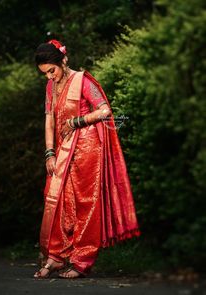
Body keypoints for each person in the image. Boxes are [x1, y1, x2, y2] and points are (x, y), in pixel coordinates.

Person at [33, 39, 140, 279]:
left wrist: (76, 121)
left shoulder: (82, 80)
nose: (50, 77)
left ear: (63, 61)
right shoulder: (51, 87)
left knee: (85, 203)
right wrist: (49, 152)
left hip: (87, 149)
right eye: (45, 74)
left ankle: (81, 260)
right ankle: (57, 256)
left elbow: (105, 110)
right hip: (62, 150)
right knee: (58, 200)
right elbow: (49, 119)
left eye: (52, 70)